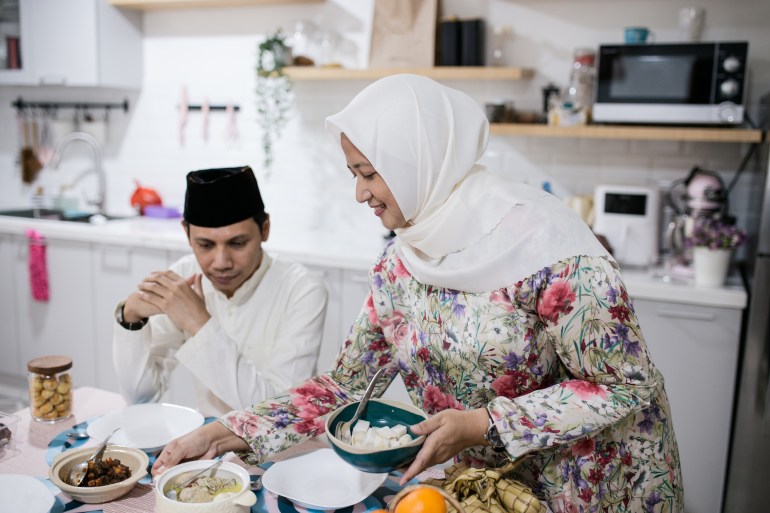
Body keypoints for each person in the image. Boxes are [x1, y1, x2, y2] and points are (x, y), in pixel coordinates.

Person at [152, 77, 683, 513]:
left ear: (418, 160)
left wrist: (483, 423)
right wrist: (230, 430)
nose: (359, 192)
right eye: (353, 173)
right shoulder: (400, 263)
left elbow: (624, 386)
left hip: (587, 484)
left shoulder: (550, 249)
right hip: (484, 489)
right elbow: (348, 384)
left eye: (368, 173)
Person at [112, 166, 328, 417]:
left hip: (285, 451)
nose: (221, 262)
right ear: (187, 234)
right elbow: (140, 398)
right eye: (205, 245)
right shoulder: (184, 277)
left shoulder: (302, 290)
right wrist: (130, 320)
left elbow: (279, 415)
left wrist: (198, 323)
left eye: (237, 243)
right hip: (206, 444)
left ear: (265, 229)